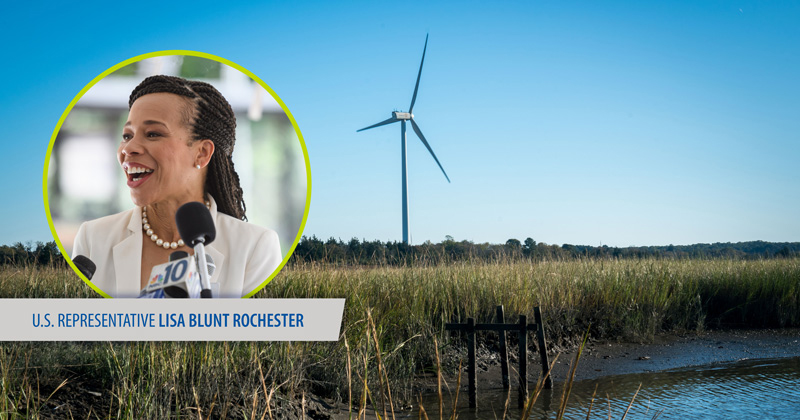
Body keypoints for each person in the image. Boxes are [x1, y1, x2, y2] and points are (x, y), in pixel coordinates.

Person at [72, 75, 282, 298]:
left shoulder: (255, 247)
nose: (128, 148)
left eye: (153, 134)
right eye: (127, 135)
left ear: (201, 153)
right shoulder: (92, 239)